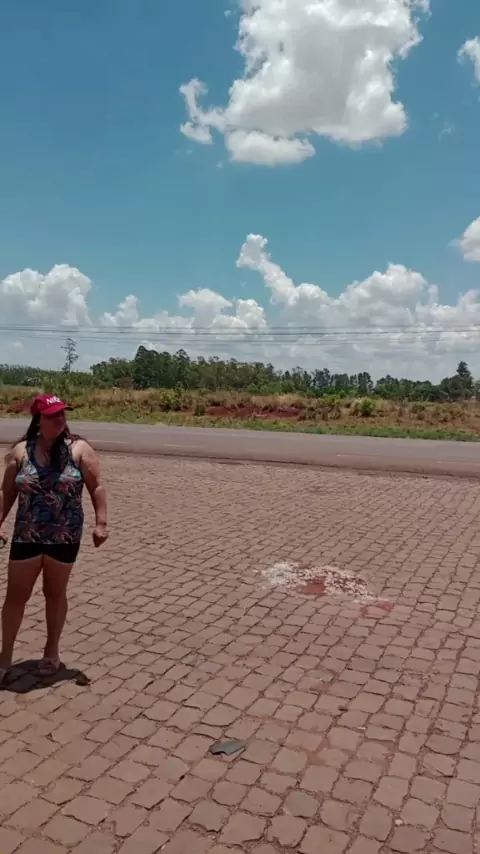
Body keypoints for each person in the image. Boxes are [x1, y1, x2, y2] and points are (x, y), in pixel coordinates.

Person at [0, 394, 108, 684]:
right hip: (27, 535)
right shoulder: (21, 451)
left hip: (64, 536)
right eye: (53, 415)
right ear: (39, 419)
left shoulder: (79, 449)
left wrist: (101, 523)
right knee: (16, 596)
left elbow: (97, 487)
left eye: (62, 413)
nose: (60, 419)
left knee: (55, 593)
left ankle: (51, 652)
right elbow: (6, 493)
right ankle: (4, 657)